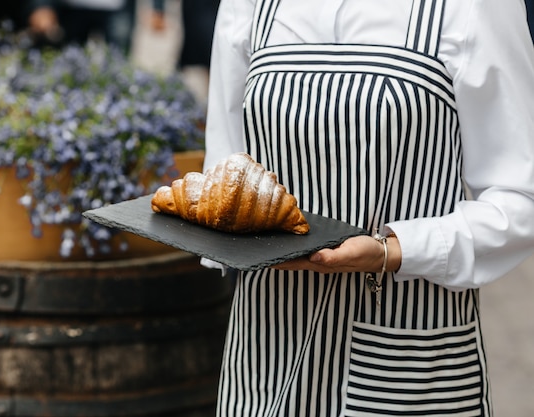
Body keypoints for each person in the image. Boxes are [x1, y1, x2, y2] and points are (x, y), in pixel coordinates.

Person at [203, 0, 534, 415]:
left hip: (407, 356)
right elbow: (225, 174)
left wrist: (396, 249)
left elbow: (521, 198)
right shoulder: (250, 5)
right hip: (267, 348)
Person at [26, 0, 137, 54]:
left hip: (117, 6)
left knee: (119, 64)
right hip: (71, 8)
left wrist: (155, 6)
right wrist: (41, 4)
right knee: (65, 66)